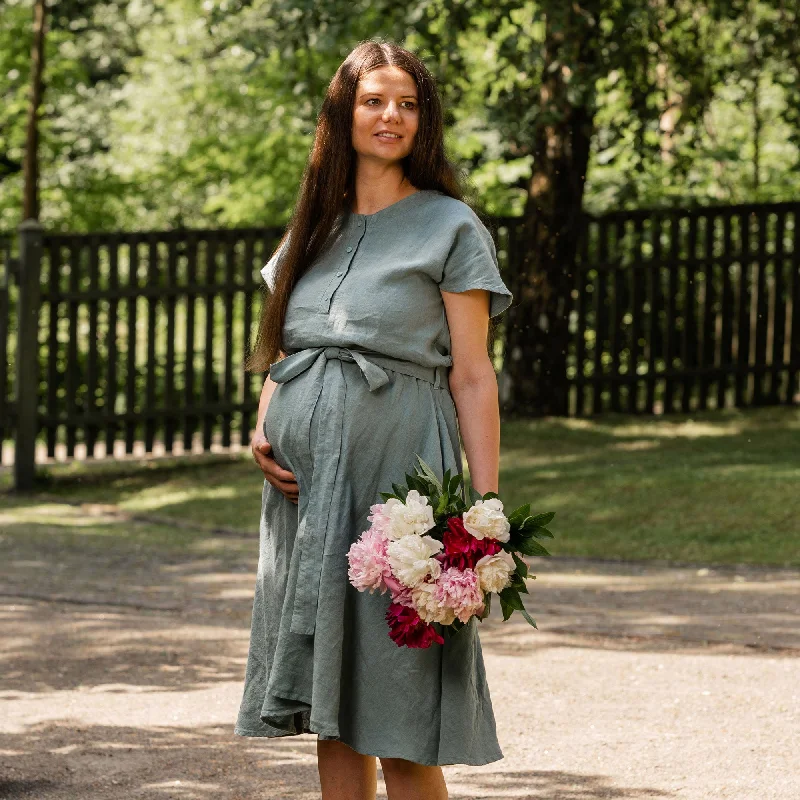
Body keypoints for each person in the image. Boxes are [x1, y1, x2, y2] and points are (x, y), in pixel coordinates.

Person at [236, 39, 514, 800]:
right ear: (343, 113)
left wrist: (482, 513)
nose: (390, 115)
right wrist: (265, 424)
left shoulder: (451, 226)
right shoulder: (312, 228)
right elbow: (285, 346)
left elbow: (472, 373)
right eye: (373, 100)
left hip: (401, 490)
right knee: (333, 712)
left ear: (423, 122)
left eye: (407, 103)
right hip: (307, 496)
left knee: (397, 707)